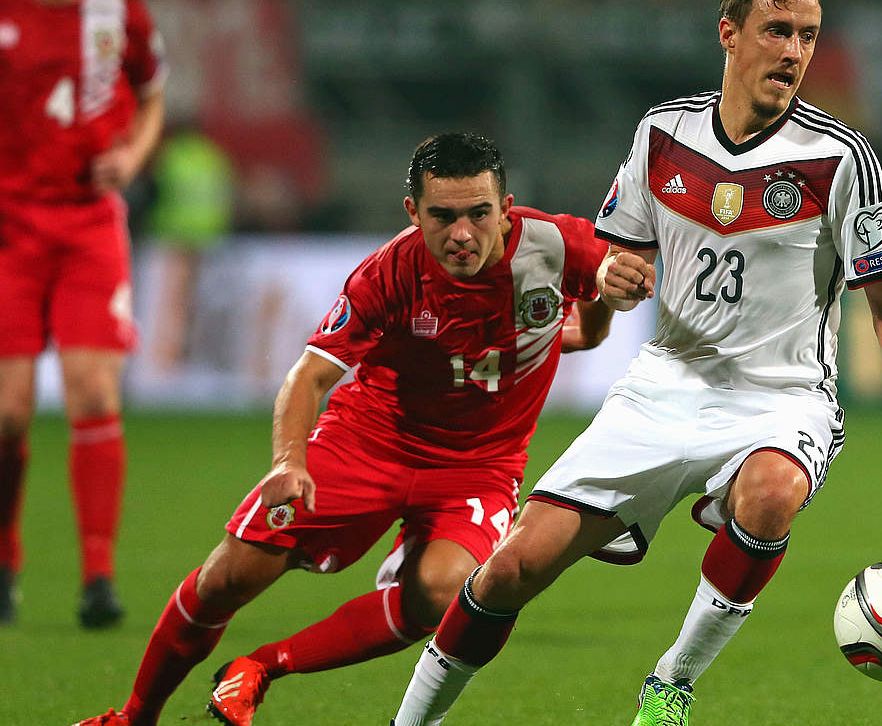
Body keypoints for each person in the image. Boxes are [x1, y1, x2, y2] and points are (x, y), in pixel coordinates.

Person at [390, 0, 882, 726]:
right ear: (730, 34)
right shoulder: (663, 135)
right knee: (510, 570)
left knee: (773, 493)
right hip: (663, 387)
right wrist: (609, 294)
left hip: (782, 399)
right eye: (777, 31)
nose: (794, 51)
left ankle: (672, 682)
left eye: (808, 36)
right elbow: (609, 272)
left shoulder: (839, 157)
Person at [72, 133, 614, 726]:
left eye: (478, 214)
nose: (462, 234)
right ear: (413, 212)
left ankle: (261, 667)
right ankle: (133, 717)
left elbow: (595, 303)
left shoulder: (557, 243)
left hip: (478, 467)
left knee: (443, 594)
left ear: (505, 207)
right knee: (229, 576)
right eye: (443, 216)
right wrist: (288, 462)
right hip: (368, 442)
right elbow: (308, 377)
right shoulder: (388, 273)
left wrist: (597, 316)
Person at [0, 0, 167, 628]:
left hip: (89, 226)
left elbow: (153, 95)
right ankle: (5, 559)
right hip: (9, 231)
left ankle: (98, 577)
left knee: (94, 394)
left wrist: (132, 156)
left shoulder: (118, 12)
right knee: (9, 413)